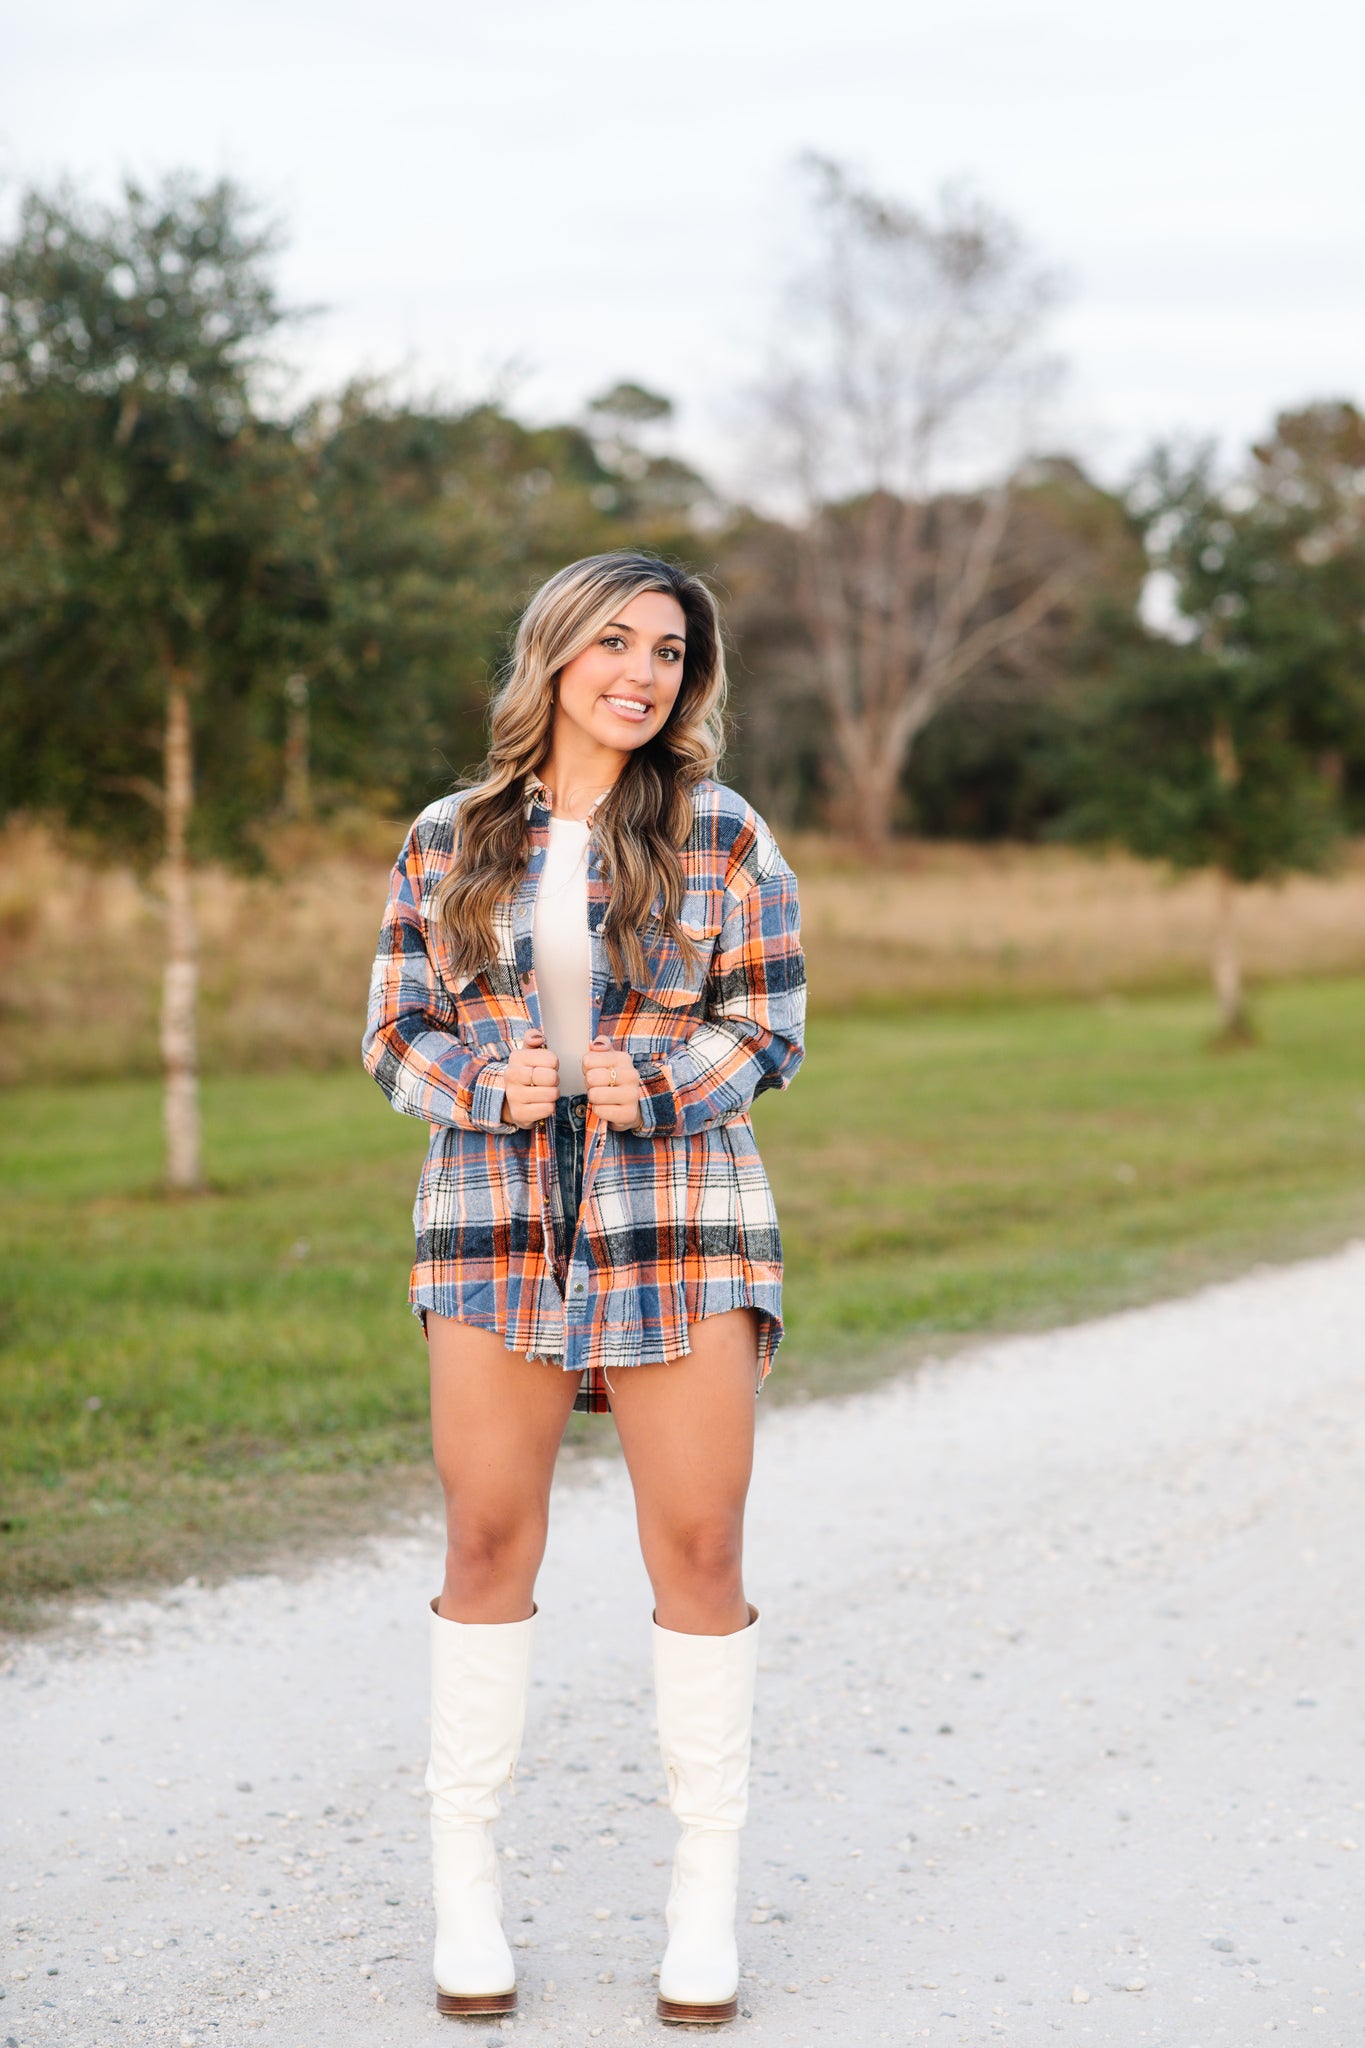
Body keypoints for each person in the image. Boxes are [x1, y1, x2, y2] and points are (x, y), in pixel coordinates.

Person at [362, 551, 805, 2026]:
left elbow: (768, 1023)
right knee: (486, 1536)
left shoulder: (724, 834)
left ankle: (700, 1910)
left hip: (681, 1214)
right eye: (614, 641)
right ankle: (467, 1898)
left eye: (670, 652)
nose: (642, 671)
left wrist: (660, 1077)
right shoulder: (450, 836)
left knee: (699, 1542)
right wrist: (495, 1084)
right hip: (492, 1218)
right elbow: (395, 1033)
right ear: (553, 653)